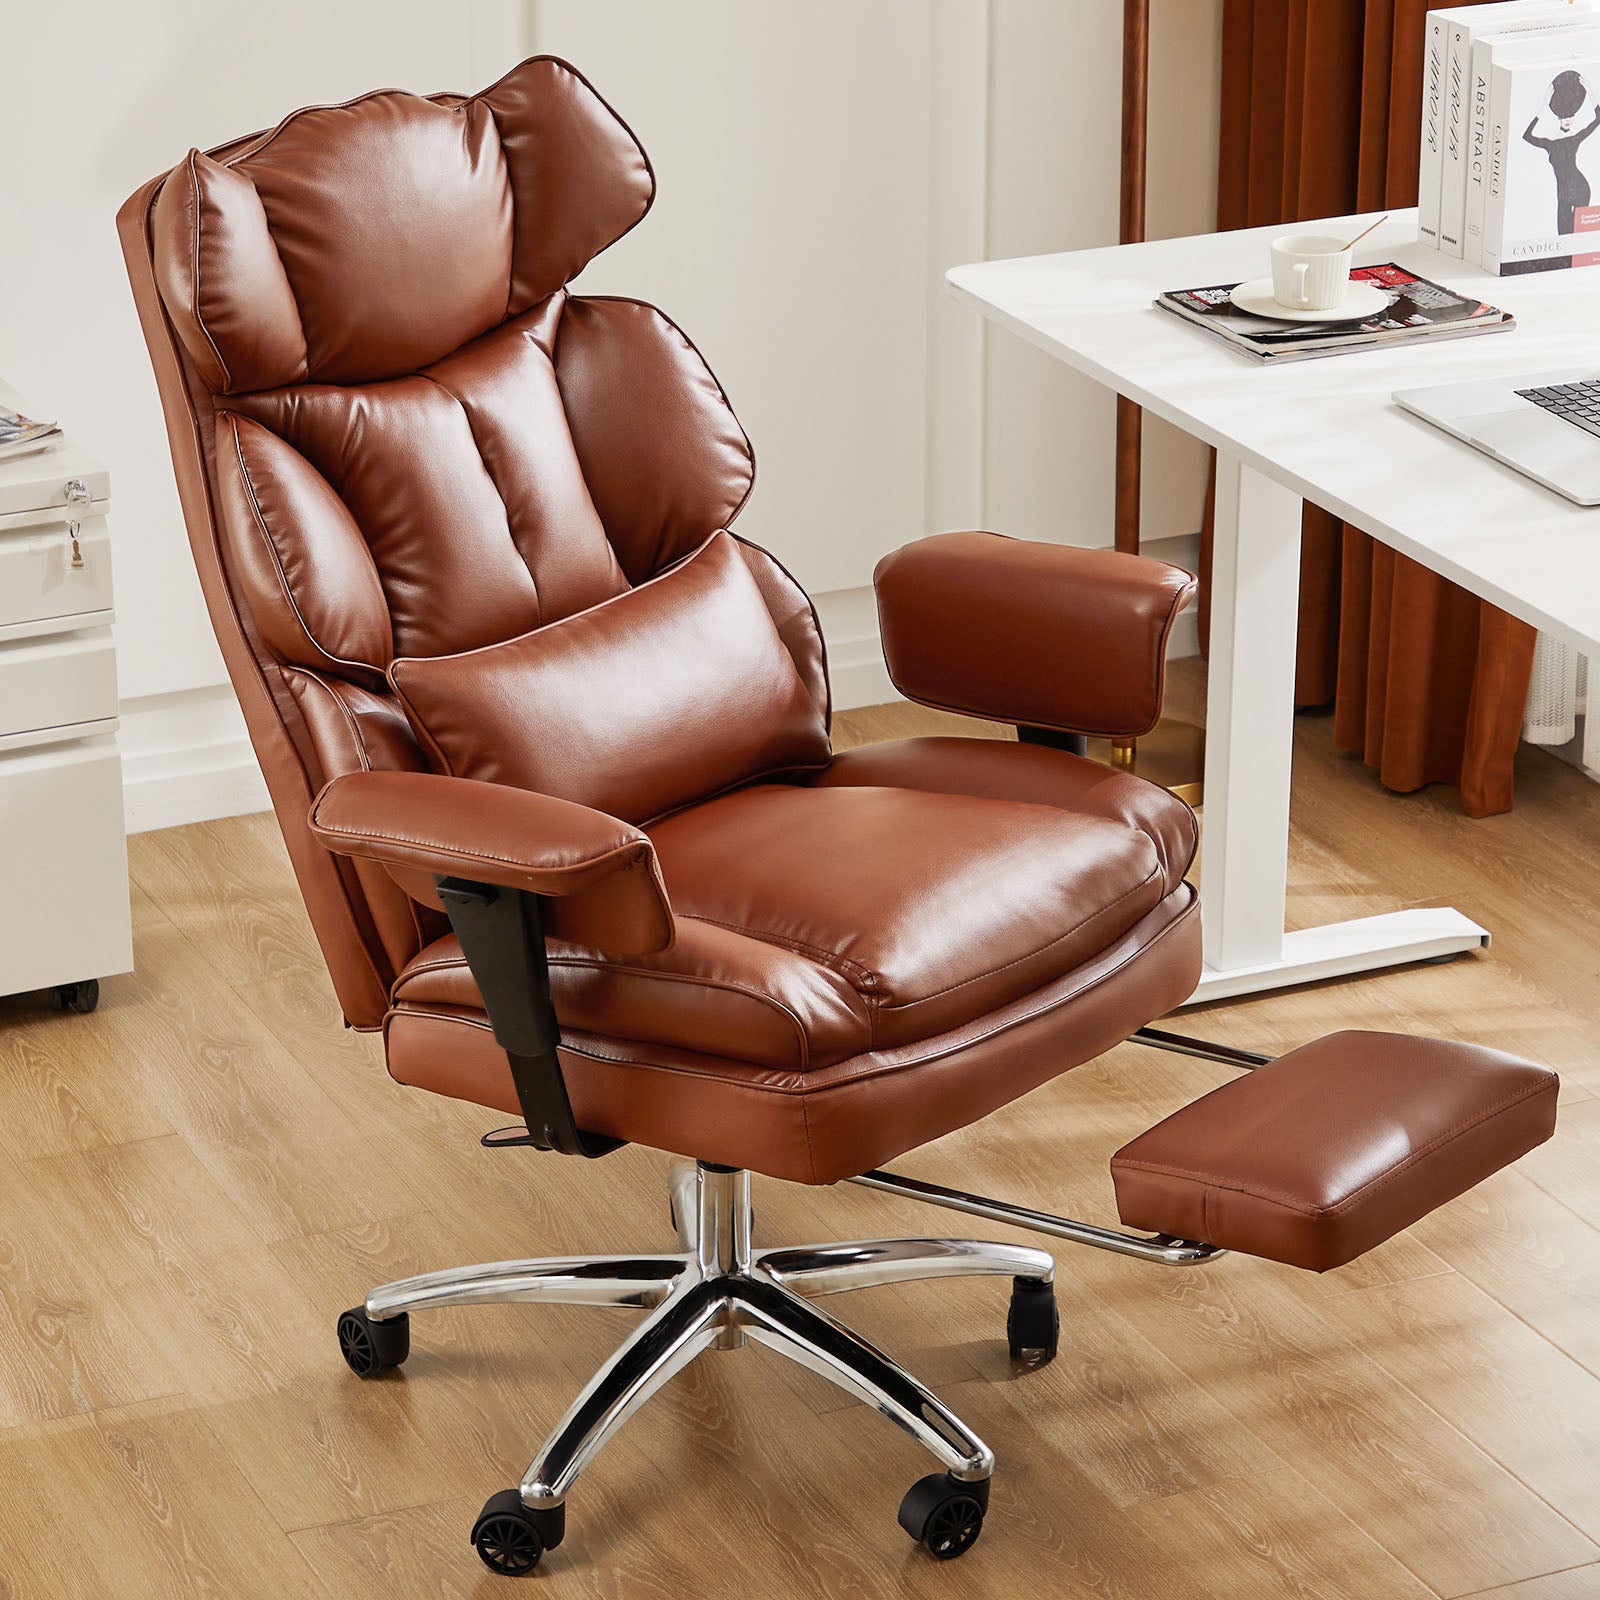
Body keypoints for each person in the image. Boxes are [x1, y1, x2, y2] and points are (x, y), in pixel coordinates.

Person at [1523, 69, 1600, 237]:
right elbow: (1526, 136)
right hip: (1563, 193)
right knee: (1563, 235)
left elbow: (1598, 118)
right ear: (1558, 118)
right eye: (1565, 117)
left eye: (1571, 116)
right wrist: (1544, 105)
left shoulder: (1575, 139)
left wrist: (1590, 90)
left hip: (1580, 189)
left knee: (1579, 234)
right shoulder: (1549, 144)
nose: (1568, 120)